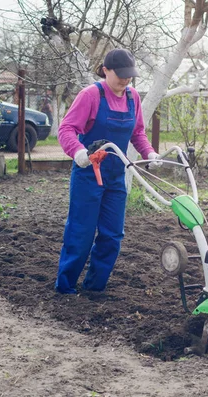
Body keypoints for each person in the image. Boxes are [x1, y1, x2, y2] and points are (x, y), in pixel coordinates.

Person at [55, 48, 160, 294]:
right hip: (89, 174)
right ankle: (66, 287)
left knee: (112, 236)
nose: (125, 80)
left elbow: (137, 133)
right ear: (105, 71)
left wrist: (150, 153)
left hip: (115, 177)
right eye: (120, 75)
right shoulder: (90, 95)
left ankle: (94, 287)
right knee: (81, 233)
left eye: (129, 75)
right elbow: (67, 129)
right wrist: (79, 152)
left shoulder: (133, 97)